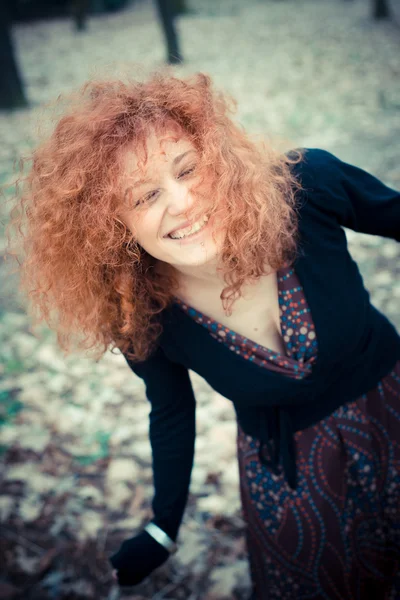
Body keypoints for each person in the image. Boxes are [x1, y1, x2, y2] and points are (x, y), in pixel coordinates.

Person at [7, 69, 400, 599]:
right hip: (291, 478)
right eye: (144, 196)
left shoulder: (308, 188)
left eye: (188, 169)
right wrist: (163, 523)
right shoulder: (142, 314)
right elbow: (170, 409)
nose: (182, 202)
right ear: (112, 226)